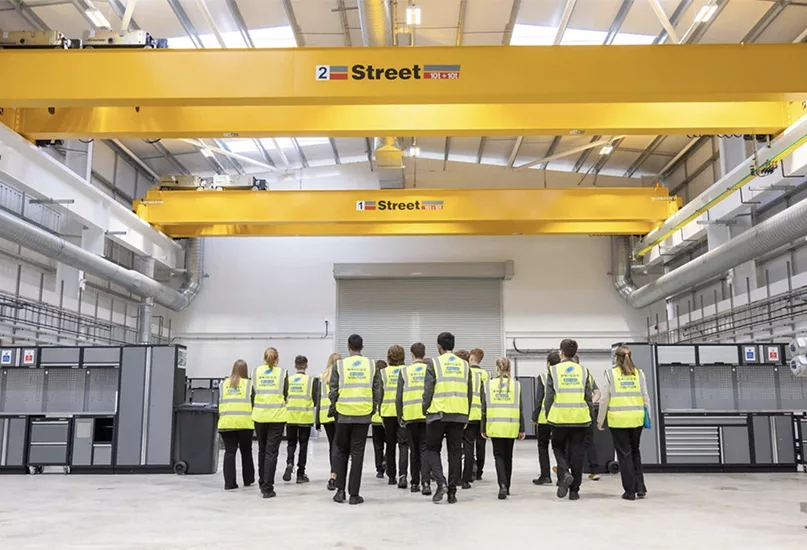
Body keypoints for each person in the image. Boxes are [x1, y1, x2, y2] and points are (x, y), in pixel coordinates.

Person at [329, 334, 382, 505]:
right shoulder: (372, 365)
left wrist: (336, 407)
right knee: (357, 454)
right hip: (363, 415)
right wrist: (372, 408)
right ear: (362, 347)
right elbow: (377, 391)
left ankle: (340, 491)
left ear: (348, 347)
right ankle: (354, 494)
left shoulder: (339, 365)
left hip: (343, 415)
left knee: (341, 451)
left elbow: (333, 390)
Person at [423, 332, 473, 504]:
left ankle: (440, 482)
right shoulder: (465, 365)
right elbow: (469, 392)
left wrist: (425, 409)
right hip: (459, 414)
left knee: (431, 449)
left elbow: (428, 389)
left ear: (439, 346)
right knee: (455, 453)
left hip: (438, 413)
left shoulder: (434, 363)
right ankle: (452, 493)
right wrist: (466, 414)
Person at [597, 346, 650, 501]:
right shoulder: (639, 374)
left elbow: (604, 399)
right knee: (635, 452)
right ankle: (640, 488)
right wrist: (648, 417)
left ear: (616, 358)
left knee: (624, 455)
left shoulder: (611, 374)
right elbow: (645, 397)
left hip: (619, 420)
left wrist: (600, 420)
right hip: (637, 419)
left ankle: (629, 491)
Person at [545, 338, 594, 501]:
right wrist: (590, 418)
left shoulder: (553, 371)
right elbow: (588, 397)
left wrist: (548, 415)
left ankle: (564, 473)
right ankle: (574, 491)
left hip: (559, 418)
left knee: (558, 448)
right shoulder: (583, 371)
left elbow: (549, 397)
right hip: (580, 418)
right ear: (575, 354)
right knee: (577, 453)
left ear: (561, 353)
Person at [481, 357, 525, 500]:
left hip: (495, 426)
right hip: (511, 426)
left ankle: (502, 485)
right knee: (508, 456)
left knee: (498, 456)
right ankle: (508, 485)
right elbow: (520, 409)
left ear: (496, 368)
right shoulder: (516, 385)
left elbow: (484, 409)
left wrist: (483, 428)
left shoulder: (488, 385)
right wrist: (522, 428)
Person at [252, 347, 289, 499]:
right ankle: (268, 488)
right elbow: (286, 393)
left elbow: (253, 392)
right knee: (271, 452)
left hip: (260, 415)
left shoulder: (255, 372)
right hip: (277, 417)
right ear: (277, 359)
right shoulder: (283, 373)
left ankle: (262, 481)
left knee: (262, 449)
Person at [397, 342, 430, 495]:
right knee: (425, 449)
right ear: (424, 354)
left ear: (411, 355)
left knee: (413, 450)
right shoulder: (430, 369)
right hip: (426, 416)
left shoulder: (405, 371)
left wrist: (400, 416)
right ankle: (426, 483)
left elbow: (399, 397)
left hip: (410, 416)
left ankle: (414, 483)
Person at [217, 359, 255, 491]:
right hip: (244, 423)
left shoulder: (223, 384)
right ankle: (248, 479)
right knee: (246, 452)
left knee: (229, 453)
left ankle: (229, 483)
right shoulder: (249, 384)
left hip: (226, 423)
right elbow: (254, 403)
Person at [283, 355, 318, 484]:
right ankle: (300, 473)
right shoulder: (311, 381)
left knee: (291, 443)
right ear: (306, 365)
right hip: (305, 417)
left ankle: (289, 463)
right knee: (303, 445)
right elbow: (314, 400)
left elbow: (284, 395)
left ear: (295, 365)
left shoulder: (288, 380)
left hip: (290, 416)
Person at [379, 345, 410, 488]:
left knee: (390, 445)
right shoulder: (406, 371)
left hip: (387, 413)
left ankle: (391, 476)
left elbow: (379, 394)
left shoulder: (383, 373)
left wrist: (379, 410)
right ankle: (403, 475)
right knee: (404, 445)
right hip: (403, 412)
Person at [532, 350, 560, 486]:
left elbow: (539, 399)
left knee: (543, 446)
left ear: (548, 363)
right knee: (559, 447)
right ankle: (562, 475)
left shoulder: (543, 377)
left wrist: (534, 416)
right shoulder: (561, 375)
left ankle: (545, 475)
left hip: (544, 418)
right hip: (559, 417)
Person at [463, 347, 488, 487]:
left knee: (468, 445)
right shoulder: (486, 374)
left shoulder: (467, 372)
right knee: (481, 444)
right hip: (482, 415)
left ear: (471, 358)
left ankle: (468, 471)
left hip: (469, 414)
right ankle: (479, 471)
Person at [319, 352, 340, 491]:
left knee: (332, 445)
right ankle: (336, 475)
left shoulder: (322, 377)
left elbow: (318, 397)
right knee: (339, 446)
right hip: (338, 413)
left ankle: (332, 475)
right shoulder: (341, 375)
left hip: (325, 415)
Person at [371, 360, 387, 479]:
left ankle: (379, 469)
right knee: (391, 442)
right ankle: (386, 460)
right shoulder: (387, 379)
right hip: (386, 416)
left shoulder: (373, 382)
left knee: (378, 445)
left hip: (375, 419)